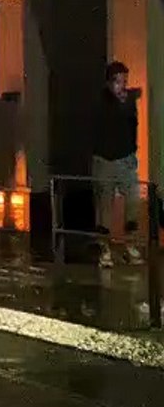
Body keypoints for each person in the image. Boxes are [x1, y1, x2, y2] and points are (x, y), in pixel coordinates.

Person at [93, 61, 142, 267]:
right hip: (105, 158)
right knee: (105, 205)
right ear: (109, 83)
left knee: (133, 199)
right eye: (117, 81)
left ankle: (130, 244)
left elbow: (133, 126)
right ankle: (104, 249)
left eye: (124, 81)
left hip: (126, 157)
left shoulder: (129, 102)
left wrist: (132, 150)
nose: (122, 86)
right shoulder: (101, 102)